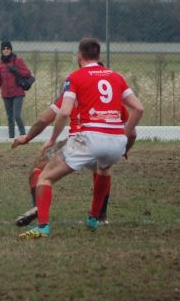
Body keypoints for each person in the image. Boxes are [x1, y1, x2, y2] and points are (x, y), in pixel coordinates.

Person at [19, 38, 144, 239]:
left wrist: (52, 139)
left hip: (88, 138)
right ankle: (94, 217)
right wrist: (124, 137)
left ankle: (42, 227)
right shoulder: (117, 77)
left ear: (79, 56)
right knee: (104, 169)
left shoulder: (75, 77)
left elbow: (64, 112)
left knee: (45, 177)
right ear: (99, 56)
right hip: (116, 141)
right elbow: (139, 108)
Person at [11, 79, 136, 227]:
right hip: (107, 144)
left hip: (79, 142)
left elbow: (44, 119)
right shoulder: (114, 101)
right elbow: (132, 133)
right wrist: (125, 149)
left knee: (39, 169)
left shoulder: (73, 94)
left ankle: (38, 207)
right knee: (102, 171)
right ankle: (99, 216)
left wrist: (27, 137)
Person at [0, 40, 31, 139]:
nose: (6, 50)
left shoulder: (18, 60)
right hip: (6, 95)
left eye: (8, 48)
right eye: (4, 49)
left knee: (17, 115)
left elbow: (27, 73)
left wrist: (16, 70)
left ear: (11, 49)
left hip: (18, 93)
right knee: (9, 118)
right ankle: (11, 138)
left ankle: (23, 135)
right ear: (1, 51)